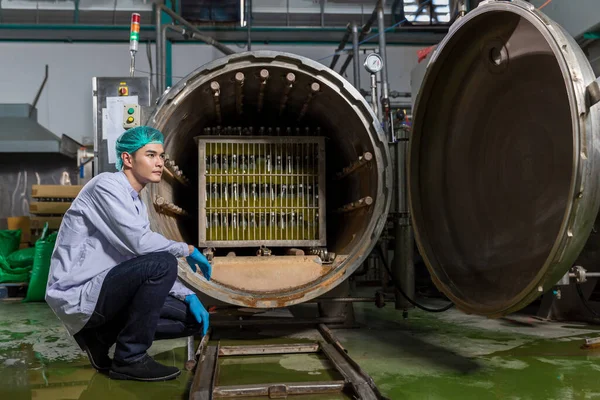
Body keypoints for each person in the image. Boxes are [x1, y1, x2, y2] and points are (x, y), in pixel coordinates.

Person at [46, 126, 212, 382]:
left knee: (192, 320)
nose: (159, 163)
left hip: (106, 288)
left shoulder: (135, 201)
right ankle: (130, 359)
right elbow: (140, 245)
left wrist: (188, 294)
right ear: (127, 159)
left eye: (161, 156)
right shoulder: (106, 186)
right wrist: (187, 249)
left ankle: (100, 338)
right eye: (150, 155)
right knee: (163, 263)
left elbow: (134, 258)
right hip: (80, 291)